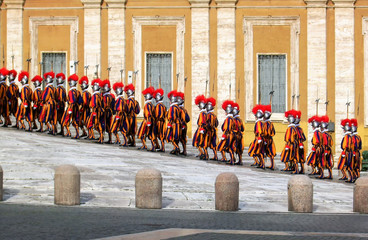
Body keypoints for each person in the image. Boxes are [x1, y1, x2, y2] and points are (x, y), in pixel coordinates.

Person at [61, 74, 81, 139]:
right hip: (76, 108)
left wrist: (70, 109)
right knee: (75, 121)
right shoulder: (78, 91)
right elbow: (80, 101)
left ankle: (68, 132)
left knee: (64, 120)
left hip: (71, 107)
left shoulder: (71, 92)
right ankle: (77, 134)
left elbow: (72, 101)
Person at [137, 86, 155, 151]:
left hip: (147, 121)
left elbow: (148, 114)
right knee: (149, 134)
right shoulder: (151, 104)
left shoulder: (147, 105)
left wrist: (148, 122)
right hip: (150, 120)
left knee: (142, 133)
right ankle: (151, 146)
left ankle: (145, 145)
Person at [217, 100, 235, 164]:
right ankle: (232, 159)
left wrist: (224, 135)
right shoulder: (232, 118)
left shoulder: (229, 119)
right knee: (229, 148)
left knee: (221, 146)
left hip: (228, 135)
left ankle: (225, 158)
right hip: (231, 134)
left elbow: (227, 128)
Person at [87, 79, 104, 143]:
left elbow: (94, 104)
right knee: (98, 124)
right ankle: (100, 137)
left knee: (96, 124)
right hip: (100, 111)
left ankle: (100, 137)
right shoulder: (99, 95)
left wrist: (94, 112)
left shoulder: (95, 95)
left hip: (96, 112)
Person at [165, 90, 181, 155]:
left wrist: (170, 123)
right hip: (178, 124)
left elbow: (172, 116)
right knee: (176, 138)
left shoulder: (172, 108)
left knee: (170, 137)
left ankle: (177, 147)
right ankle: (175, 148)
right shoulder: (178, 107)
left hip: (174, 124)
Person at [192, 94, 207, 159]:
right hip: (201, 128)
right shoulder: (205, 113)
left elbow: (203, 122)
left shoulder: (202, 113)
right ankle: (202, 153)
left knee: (197, 142)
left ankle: (203, 153)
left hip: (201, 129)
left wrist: (201, 128)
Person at [101, 79, 115, 144]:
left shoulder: (107, 96)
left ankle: (106, 138)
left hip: (106, 112)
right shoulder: (109, 96)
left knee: (106, 125)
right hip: (109, 111)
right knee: (106, 125)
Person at [153, 88, 166, 152]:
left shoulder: (159, 106)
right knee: (158, 135)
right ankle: (158, 145)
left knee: (160, 135)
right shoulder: (162, 105)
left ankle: (162, 147)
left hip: (159, 122)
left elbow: (159, 115)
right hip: (161, 121)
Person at [263, 105, 276, 170]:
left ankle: (262, 164)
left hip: (266, 139)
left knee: (262, 151)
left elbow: (267, 132)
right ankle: (272, 165)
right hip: (270, 139)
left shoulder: (267, 124)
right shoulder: (270, 123)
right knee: (270, 153)